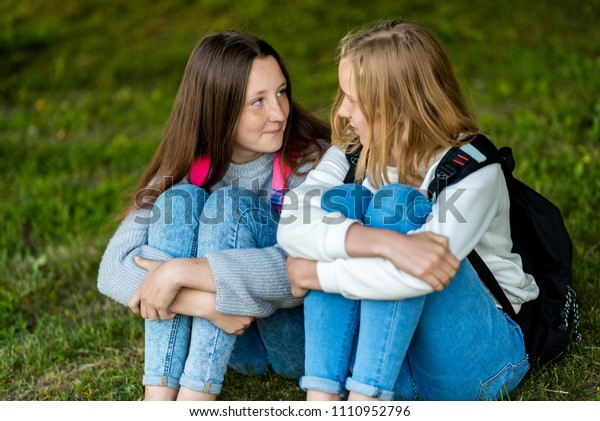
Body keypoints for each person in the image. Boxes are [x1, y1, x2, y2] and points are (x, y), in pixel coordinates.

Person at [277, 20, 540, 401]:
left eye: (353, 98)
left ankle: (365, 400)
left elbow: (420, 275)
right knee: (341, 205)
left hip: (470, 358)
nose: (342, 110)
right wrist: (382, 243)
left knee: (396, 205)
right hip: (389, 350)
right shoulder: (353, 150)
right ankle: (322, 397)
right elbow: (293, 224)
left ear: (396, 107)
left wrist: (313, 273)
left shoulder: (472, 170)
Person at [96, 30, 333, 401]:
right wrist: (205, 304)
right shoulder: (188, 165)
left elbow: (303, 269)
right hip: (237, 344)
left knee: (229, 207)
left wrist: (177, 274)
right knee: (179, 201)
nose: (278, 112)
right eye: (258, 101)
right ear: (218, 108)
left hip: (295, 342)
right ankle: (157, 399)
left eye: (281, 92)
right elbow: (113, 268)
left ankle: (195, 398)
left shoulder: (310, 161)